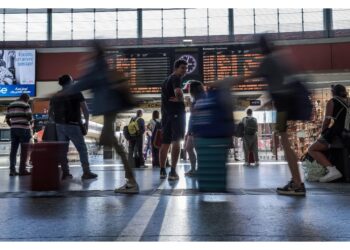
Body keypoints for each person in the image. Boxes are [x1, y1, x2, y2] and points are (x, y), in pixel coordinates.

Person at [213, 35, 306, 196]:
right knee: (285, 140)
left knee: (285, 141)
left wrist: (223, 82)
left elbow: (246, 78)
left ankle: (297, 184)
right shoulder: (280, 57)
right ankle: (296, 180)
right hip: (287, 102)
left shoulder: (269, 60)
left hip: (283, 104)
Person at [59, 42, 139, 194]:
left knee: (115, 146)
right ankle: (130, 181)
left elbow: (84, 82)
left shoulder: (97, 66)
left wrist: (63, 92)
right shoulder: (102, 64)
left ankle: (132, 182)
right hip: (111, 108)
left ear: (95, 51)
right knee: (114, 144)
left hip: (109, 108)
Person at [49, 75, 97, 180]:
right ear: (70, 82)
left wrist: (57, 122)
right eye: (72, 80)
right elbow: (85, 110)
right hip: (73, 125)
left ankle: (65, 173)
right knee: (82, 149)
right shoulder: (76, 93)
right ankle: (86, 172)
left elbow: (50, 113)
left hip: (60, 126)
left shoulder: (56, 95)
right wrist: (86, 123)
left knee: (63, 150)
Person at [308, 84, 349, 182]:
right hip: (348, 135)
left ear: (333, 93)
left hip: (337, 134)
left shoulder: (333, 102)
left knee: (312, 149)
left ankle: (332, 170)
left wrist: (323, 132)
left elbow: (327, 120)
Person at [159, 59, 188, 180]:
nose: (184, 70)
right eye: (182, 68)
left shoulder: (166, 80)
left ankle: (162, 170)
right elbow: (178, 92)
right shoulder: (176, 78)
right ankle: (172, 172)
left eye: (185, 68)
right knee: (176, 141)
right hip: (176, 113)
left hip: (166, 115)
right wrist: (182, 99)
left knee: (165, 143)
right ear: (176, 68)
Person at [6, 93, 32, 176]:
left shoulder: (10, 105)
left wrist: (13, 125)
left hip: (13, 129)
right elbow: (29, 117)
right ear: (26, 99)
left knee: (13, 150)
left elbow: (7, 118)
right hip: (24, 129)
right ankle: (22, 170)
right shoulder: (25, 105)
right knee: (24, 151)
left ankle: (12, 171)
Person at [184, 80, 206, 177]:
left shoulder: (202, 99)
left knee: (198, 150)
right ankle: (193, 168)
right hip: (193, 128)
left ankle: (199, 169)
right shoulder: (195, 99)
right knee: (188, 148)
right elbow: (192, 116)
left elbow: (197, 114)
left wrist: (189, 104)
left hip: (199, 129)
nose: (188, 91)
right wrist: (188, 131)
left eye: (189, 89)